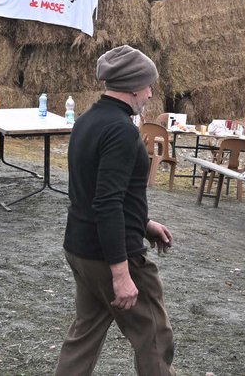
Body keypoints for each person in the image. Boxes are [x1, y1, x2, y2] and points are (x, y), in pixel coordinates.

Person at [55, 45, 175, 376]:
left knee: (84, 335)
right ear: (134, 87)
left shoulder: (87, 121)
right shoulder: (121, 131)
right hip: (110, 254)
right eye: (148, 86)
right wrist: (121, 274)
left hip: (80, 247)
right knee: (154, 335)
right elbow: (106, 202)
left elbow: (94, 189)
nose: (150, 94)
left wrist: (143, 223)